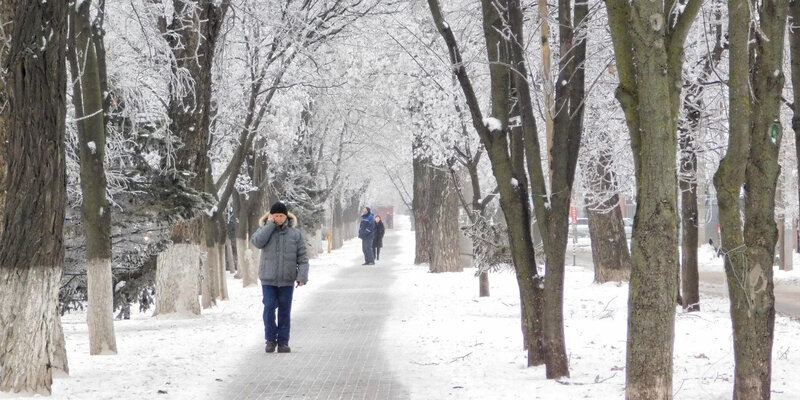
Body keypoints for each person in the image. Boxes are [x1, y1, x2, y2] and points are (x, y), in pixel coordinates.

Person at [251, 201, 309, 354]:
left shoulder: (295, 234)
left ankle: (283, 342)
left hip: (287, 279)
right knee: (269, 308)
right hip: (268, 278)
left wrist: (302, 275)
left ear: (286, 216)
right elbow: (257, 242)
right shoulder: (265, 230)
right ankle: (270, 340)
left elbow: (302, 257)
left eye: (281, 216)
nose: (279, 218)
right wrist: (269, 226)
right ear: (271, 216)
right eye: (275, 216)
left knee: (284, 310)